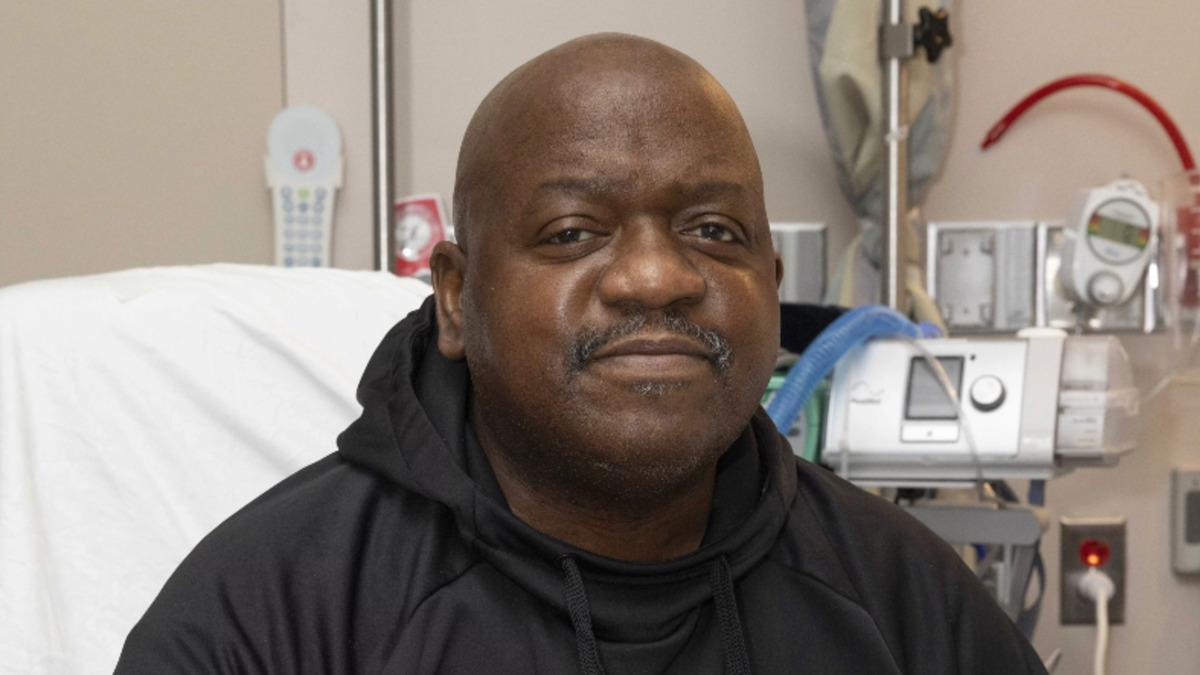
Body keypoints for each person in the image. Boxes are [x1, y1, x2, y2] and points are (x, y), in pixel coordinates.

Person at [117, 33, 1047, 674]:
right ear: (455, 296)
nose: (655, 276)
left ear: (769, 283)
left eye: (713, 230)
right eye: (571, 232)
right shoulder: (272, 613)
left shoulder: (906, 605)